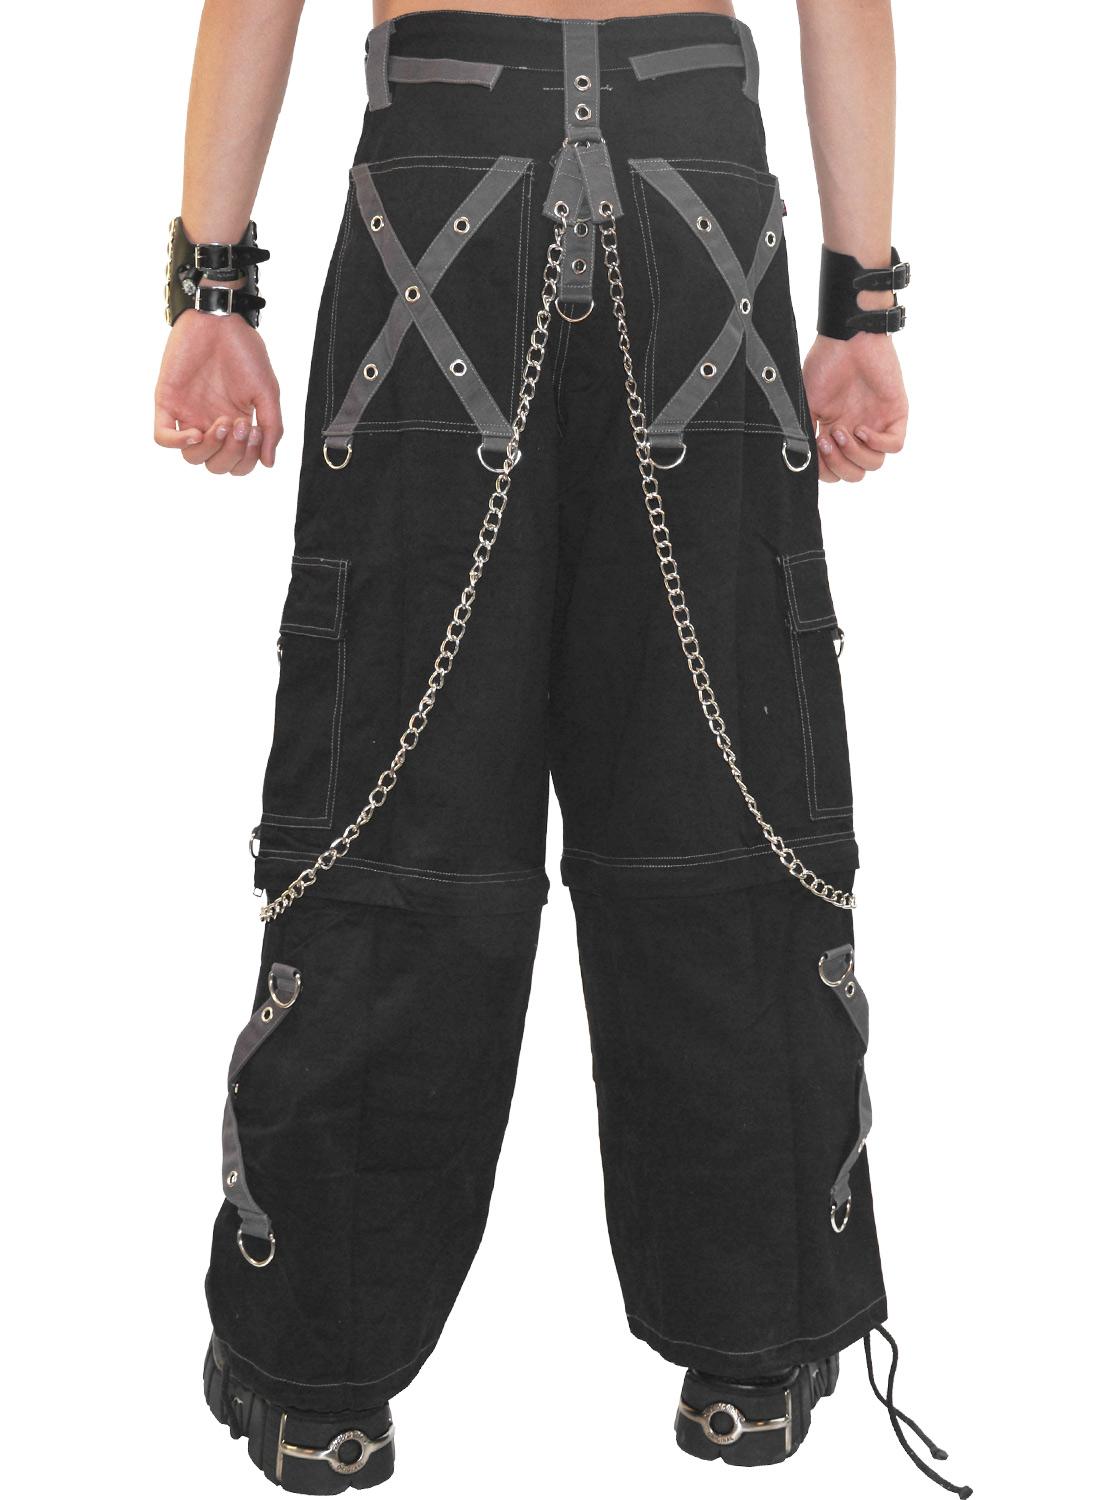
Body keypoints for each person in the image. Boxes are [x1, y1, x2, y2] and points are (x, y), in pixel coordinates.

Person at [156, 2, 969, 1494]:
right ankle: (755, 1346)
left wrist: (212, 282)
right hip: (693, 185)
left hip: (445, 172)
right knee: (721, 779)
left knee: (395, 790)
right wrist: (863, 304)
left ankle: (321, 1379)